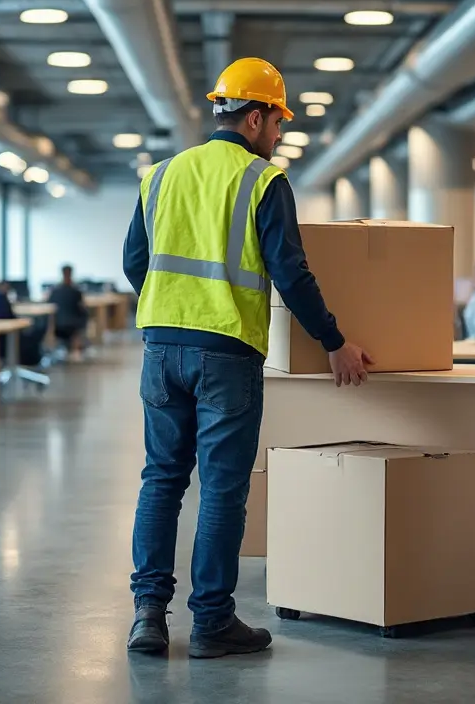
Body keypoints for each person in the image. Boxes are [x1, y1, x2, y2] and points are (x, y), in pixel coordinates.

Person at [121, 57, 372, 659]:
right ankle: (210, 623)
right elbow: (290, 271)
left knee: (161, 480)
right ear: (254, 117)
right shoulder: (262, 180)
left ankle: (149, 618)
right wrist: (335, 343)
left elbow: (136, 262)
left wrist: (170, 309)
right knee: (222, 490)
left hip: (161, 348)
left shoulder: (160, 176)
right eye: (278, 122)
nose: (280, 134)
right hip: (226, 355)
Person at [47, 264, 89, 361]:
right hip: (74, 324)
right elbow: (82, 308)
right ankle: (77, 348)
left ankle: (52, 348)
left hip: (57, 324)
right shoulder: (76, 291)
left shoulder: (54, 291)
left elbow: (48, 305)